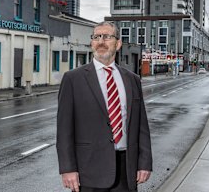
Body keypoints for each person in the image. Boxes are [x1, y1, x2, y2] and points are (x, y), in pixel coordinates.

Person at [56, 22, 152, 192]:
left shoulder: (132, 79)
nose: (101, 41)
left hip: (126, 169)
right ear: (92, 43)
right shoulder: (73, 79)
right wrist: (68, 168)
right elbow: (64, 130)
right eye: (96, 37)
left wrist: (144, 162)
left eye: (107, 37)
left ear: (118, 43)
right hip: (88, 170)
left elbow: (141, 125)